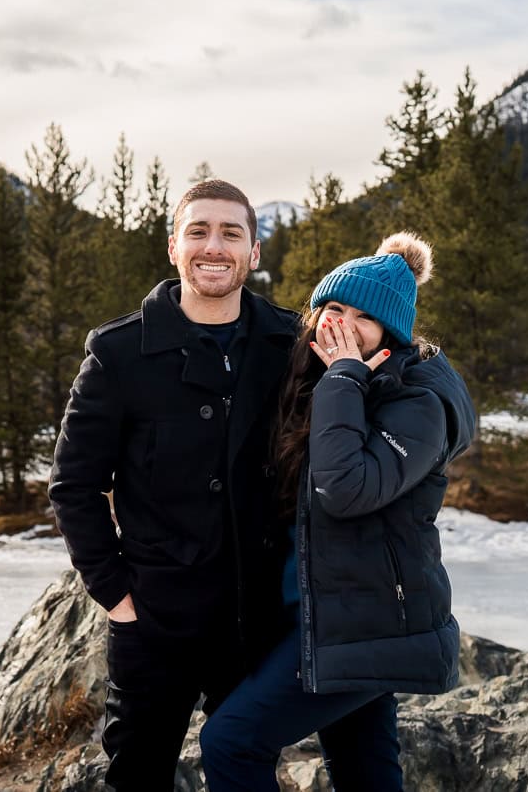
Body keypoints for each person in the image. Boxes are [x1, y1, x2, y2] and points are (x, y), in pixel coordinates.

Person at [198, 232, 477, 791]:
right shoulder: (312, 379)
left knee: (230, 741)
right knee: (364, 772)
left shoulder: (416, 403)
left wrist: (346, 374)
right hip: (319, 616)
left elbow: (346, 489)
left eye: (362, 317)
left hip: (368, 622)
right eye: (332, 309)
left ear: (389, 335)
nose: (342, 325)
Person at [48, 178, 300, 790]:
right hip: (155, 619)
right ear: (173, 247)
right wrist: (116, 596)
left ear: (254, 252)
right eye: (199, 231)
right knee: (137, 775)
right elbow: (73, 486)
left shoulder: (291, 343)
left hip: (255, 616)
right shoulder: (119, 353)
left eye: (230, 233)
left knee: (245, 766)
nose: (214, 246)